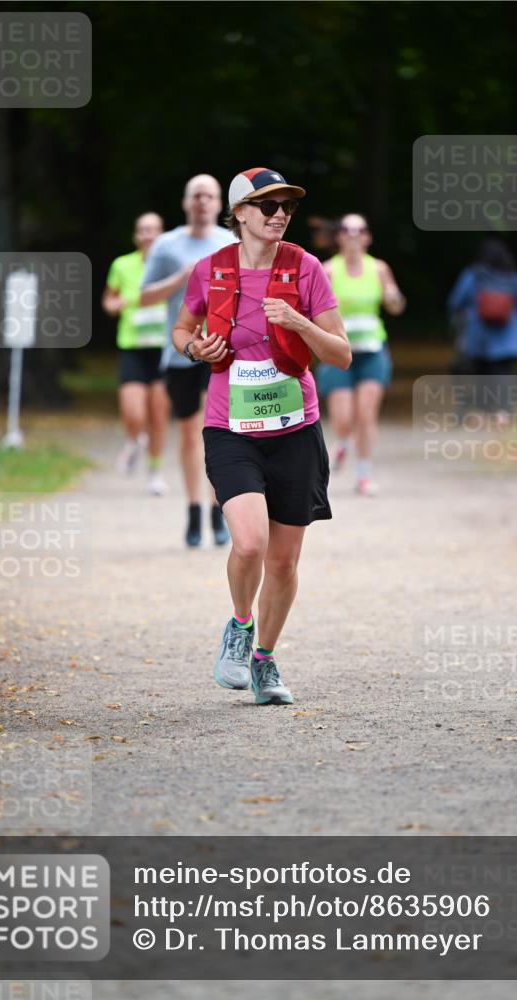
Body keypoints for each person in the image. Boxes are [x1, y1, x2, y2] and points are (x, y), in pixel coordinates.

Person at [172, 167, 351, 705]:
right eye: (267, 205)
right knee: (249, 543)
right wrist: (192, 349)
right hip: (231, 428)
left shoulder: (306, 268)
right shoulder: (209, 270)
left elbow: (340, 352)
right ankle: (239, 625)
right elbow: (182, 329)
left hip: (295, 428)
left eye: (286, 207)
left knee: (284, 561)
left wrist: (299, 323)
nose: (279, 215)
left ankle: (265, 662)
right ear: (240, 213)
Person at [140, 175, 235, 547]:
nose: (203, 202)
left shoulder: (231, 243)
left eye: (209, 196)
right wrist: (181, 277)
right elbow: (145, 297)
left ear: (219, 204)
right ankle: (194, 509)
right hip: (181, 354)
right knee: (190, 434)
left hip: (224, 354)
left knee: (220, 434)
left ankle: (218, 510)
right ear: (185, 202)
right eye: (197, 195)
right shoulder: (167, 245)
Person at [315, 214, 405, 496]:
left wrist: (392, 296)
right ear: (339, 237)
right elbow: (314, 313)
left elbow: (397, 306)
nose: (354, 234)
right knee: (343, 418)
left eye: (360, 230)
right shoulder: (327, 270)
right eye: (347, 230)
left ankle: (363, 475)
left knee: (366, 415)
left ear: (368, 237)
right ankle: (343, 442)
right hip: (339, 353)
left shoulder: (378, 268)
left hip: (373, 351)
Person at [102, 212, 171, 495]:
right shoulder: (122, 264)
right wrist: (115, 304)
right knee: (133, 412)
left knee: (158, 414)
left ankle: (154, 472)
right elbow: (108, 299)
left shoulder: (171, 265)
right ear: (136, 235)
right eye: (143, 230)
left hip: (164, 347)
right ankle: (134, 441)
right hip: (132, 346)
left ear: (162, 234)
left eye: (153, 230)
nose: (148, 235)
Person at [447, 238, 517, 425]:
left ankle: (483, 415)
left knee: (481, 376)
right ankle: (503, 414)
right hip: (509, 337)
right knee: (503, 376)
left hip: (478, 336)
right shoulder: (514, 278)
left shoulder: (472, 275)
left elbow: (455, 301)